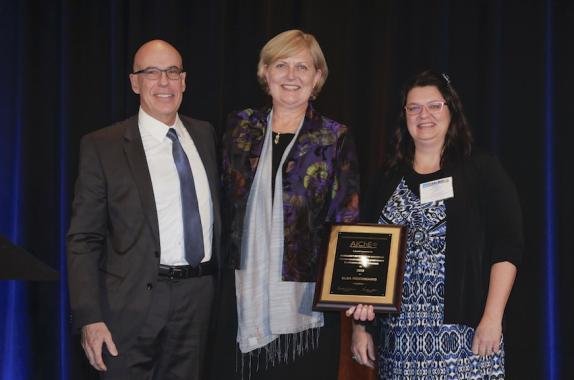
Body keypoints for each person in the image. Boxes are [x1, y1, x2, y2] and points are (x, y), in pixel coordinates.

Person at [348, 70, 523, 379]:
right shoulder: (385, 179)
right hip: (397, 343)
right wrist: (360, 327)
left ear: (451, 110)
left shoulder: (481, 170)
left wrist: (493, 318)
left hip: (466, 337)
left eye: (434, 105)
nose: (423, 115)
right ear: (404, 116)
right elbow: (365, 258)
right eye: (413, 107)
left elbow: (507, 245)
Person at [67, 39, 221, 380]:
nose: (163, 82)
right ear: (135, 82)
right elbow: (84, 239)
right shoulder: (102, 146)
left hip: (196, 302)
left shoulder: (205, 135)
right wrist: (89, 317)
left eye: (171, 72)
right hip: (128, 308)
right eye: (151, 72)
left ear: (184, 80)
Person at [215, 29, 360, 379]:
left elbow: (346, 218)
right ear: (265, 72)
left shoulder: (333, 136)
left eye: (302, 67)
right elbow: (220, 202)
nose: (292, 76)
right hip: (239, 294)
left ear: (318, 76)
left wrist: (357, 290)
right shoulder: (239, 127)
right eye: (281, 65)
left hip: (304, 301)